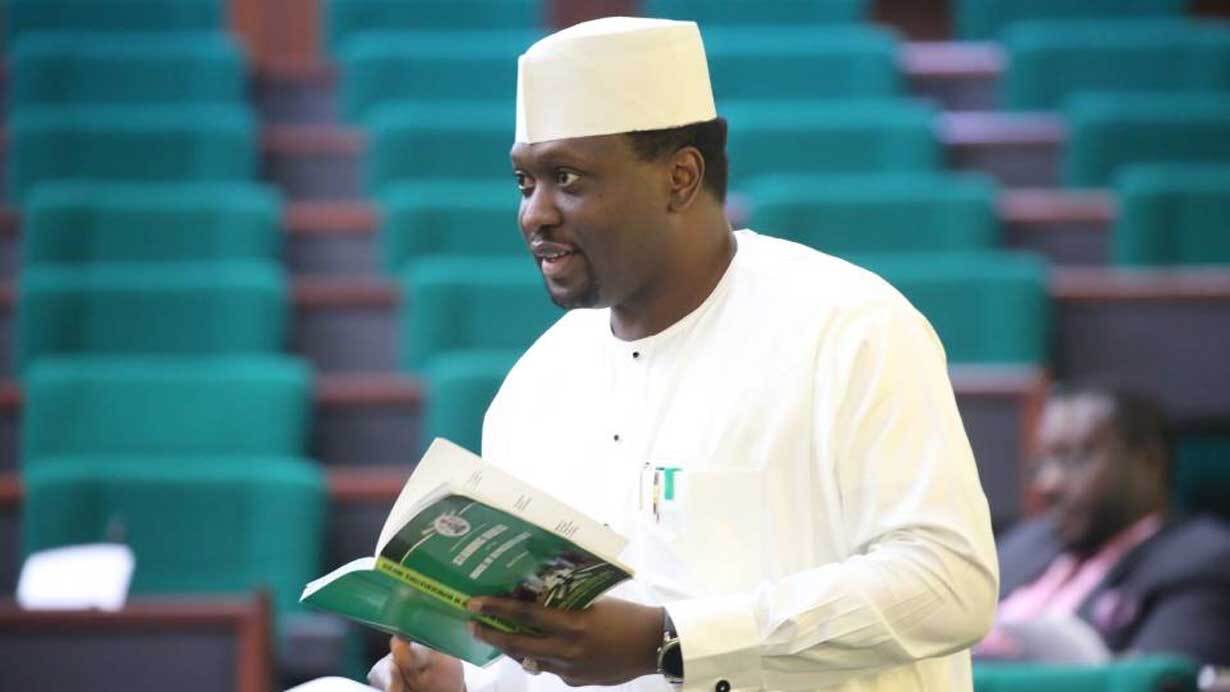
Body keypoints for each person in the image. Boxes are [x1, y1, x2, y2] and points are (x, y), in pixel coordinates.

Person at [374, 16, 999, 692]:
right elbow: (551, 661)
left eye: (567, 178)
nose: (535, 214)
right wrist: (462, 680)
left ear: (680, 177)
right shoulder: (533, 390)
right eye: (526, 183)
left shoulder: (848, 329)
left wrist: (673, 641)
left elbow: (949, 584)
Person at [979, 384, 1230, 665]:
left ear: (1149, 461)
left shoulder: (1201, 563)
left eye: (1074, 458)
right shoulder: (1023, 544)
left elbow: (1156, 680)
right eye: (1042, 463)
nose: (1048, 483)